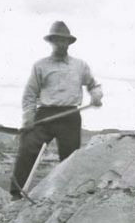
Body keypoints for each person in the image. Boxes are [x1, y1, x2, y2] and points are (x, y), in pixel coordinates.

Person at [10, 21, 103, 199]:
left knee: (70, 158)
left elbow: (93, 85)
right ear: (51, 42)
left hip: (70, 116)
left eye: (64, 40)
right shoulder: (40, 66)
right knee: (28, 147)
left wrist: (96, 95)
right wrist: (28, 118)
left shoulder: (80, 65)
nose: (61, 44)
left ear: (69, 42)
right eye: (57, 40)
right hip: (45, 114)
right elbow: (30, 94)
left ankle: (66, 195)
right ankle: (16, 193)